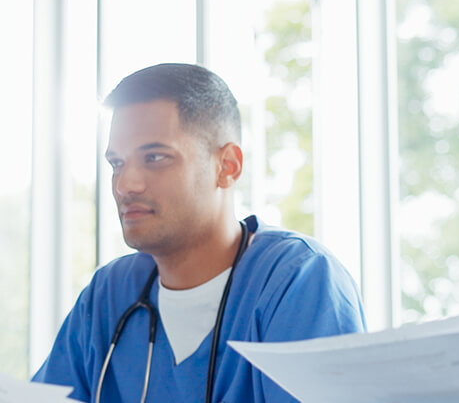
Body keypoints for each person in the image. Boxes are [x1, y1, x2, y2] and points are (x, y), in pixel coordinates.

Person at [34, 63, 365, 403]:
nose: (125, 184)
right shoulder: (108, 295)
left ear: (227, 166)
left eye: (155, 157)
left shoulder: (297, 280)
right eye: (117, 163)